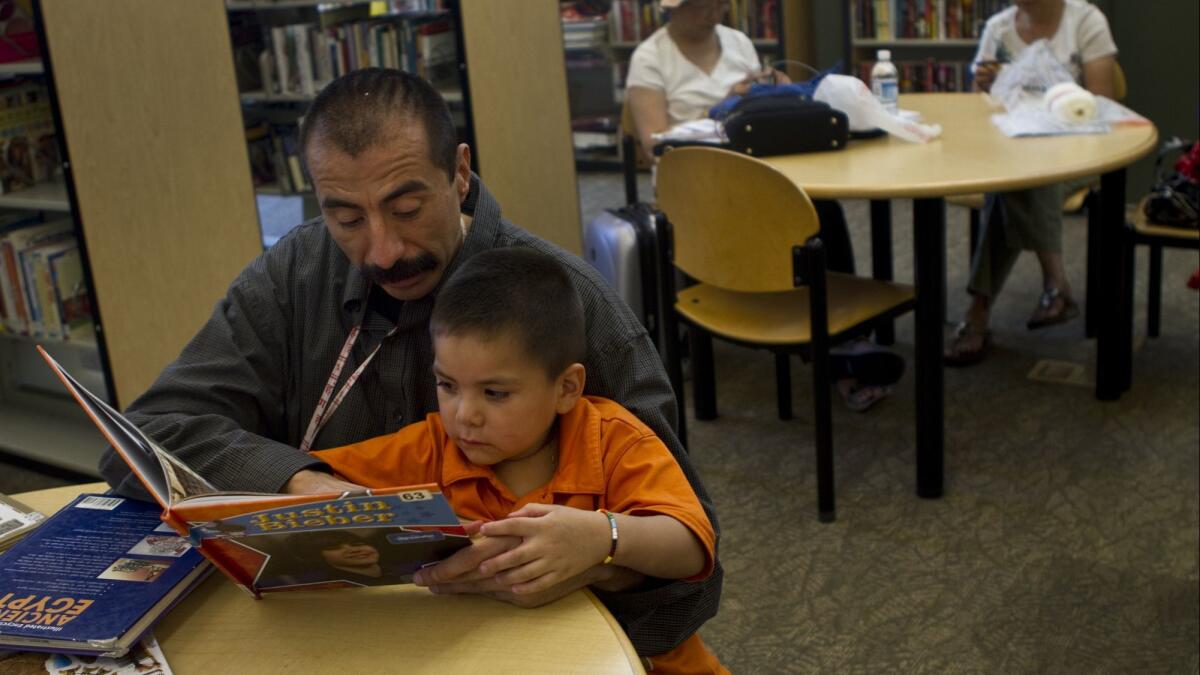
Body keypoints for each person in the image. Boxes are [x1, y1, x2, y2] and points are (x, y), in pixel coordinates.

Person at [97, 68, 720, 657]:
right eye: (346, 218)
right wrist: (304, 486)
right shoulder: (297, 271)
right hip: (331, 632)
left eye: (406, 209)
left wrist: (601, 563)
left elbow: (692, 583)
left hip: (531, 643)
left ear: (460, 171)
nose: (384, 251)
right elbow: (145, 437)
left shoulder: (570, 306)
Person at [312, 247, 725, 674]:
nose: (464, 414)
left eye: (495, 393)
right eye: (447, 385)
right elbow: (309, 482)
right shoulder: (432, 446)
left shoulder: (613, 440)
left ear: (567, 388)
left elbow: (692, 547)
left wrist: (603, 537)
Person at [625, 0, 904, 411]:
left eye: (719, 2)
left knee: (818, 208)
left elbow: (759, 111)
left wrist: (773, 89)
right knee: (794, 218)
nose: (714, 10)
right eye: (703, 4)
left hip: (754, 172)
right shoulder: (650, 57)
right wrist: (722, 104)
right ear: (674, 9)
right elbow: (653, 145)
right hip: (695, 189)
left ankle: (841, 333)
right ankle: (836, 347)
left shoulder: (737, 42)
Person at [945, 0, 1118, 366]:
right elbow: (980, 110)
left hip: (1084, 148)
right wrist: (983, 85)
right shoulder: (998, 28)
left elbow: (1104, 101)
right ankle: (1056, 286)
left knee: (1019, 179)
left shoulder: (1086, 20)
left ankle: (979, 311)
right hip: (1015, 146)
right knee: (1020, 173)